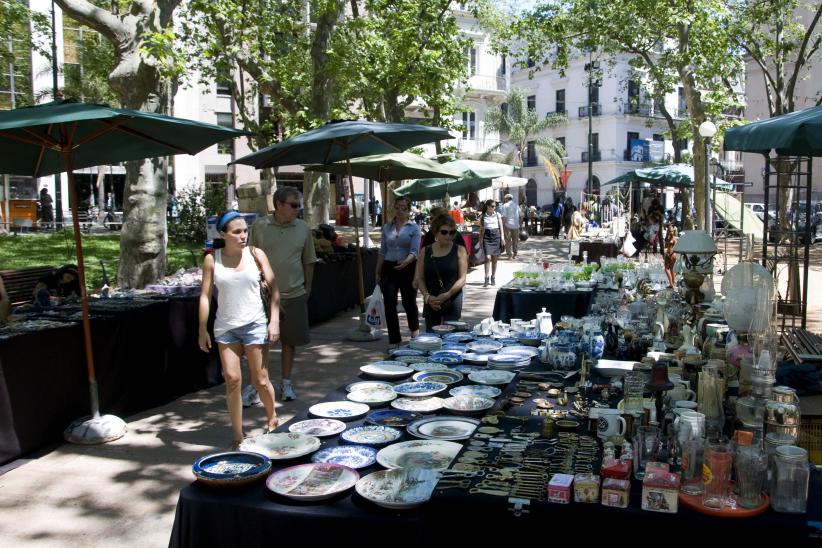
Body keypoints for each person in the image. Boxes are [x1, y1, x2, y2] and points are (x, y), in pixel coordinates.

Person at [198, 211, 280, 450]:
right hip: (226, 327)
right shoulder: (212, 259)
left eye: (245, 230)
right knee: (232, 380)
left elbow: (275, 288)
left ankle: (272, 418)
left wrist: (273, 320)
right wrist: (202, 329)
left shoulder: (256, 254)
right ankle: (237, 434)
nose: (243, 236)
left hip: (254, 323)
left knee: (260, 380)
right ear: (223, 234)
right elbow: (204, 296)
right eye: (237, 232)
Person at [248, 187, 316, 401]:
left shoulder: (303, 228)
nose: (298, 209)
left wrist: (308, 288)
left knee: (290, 342)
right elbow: (250, 257)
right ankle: (258, 385)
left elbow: (309, 261)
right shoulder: (260, 226)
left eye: (299, 205)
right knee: (261, 342)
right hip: (264, 295)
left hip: (294, 293)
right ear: (278, 204)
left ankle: (286, 382)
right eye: (294, 205)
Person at [375, 197, 420, 347]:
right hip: (389, 267)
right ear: (394, 208)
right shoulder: (387, 227)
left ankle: (415, 333)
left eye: (404, 208)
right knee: (389, 303)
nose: (400, 210)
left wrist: (405, 263)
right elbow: (383, 251)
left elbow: (414, 252)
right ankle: (394, 340)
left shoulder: (414, 228)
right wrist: (378, 271)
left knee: (409, 302)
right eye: (398, 207)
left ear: (408, 210)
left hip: (407, 267)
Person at [415, 215, 468, 331]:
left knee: (451, 338)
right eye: (444, 232)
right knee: (432, 336)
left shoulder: (460, 250)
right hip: (431, 300)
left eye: (452, 232)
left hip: (452, 299)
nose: (448, 236)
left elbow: (462, 279)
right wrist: (427, 297)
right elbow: (420, 278)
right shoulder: (425, 251)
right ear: (436, 233)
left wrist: (447, 295)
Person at [478, 199, 506, 287]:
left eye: (495, 206)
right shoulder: (483, 216)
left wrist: (502, 238)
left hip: (496, 236)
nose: (495, 208)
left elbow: (501, 227)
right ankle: (486, 278)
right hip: (487, 236)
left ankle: (493, 277)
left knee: (494, 259)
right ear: (488, 206)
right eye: (493, 206)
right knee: (487, 257)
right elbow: (481, 230)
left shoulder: (497, 215)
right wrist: (480, 240)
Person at [498, 194, 523, 259]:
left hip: (507, 225)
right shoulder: (516, 205)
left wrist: (501, 226)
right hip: (516, 225)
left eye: (505, 199)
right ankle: (515, 253)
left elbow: (504, 217)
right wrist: (520, 224)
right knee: (515, 240)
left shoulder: (504, 206)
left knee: (508, 240)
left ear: (506, 199)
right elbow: (521, 215)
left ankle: (509, 255)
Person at [663, 222, 678, 288]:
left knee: (667, 269)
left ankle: (672, 283)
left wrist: (671, 253)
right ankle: (672, 283)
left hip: (672, 255)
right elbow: (666, 246)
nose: (670, 232)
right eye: (669, 231)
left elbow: (677, 248)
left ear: (673, 231)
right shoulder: (668, 238)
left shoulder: (674, 238)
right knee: (671, 269)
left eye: (671, 231)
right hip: (668, 254)